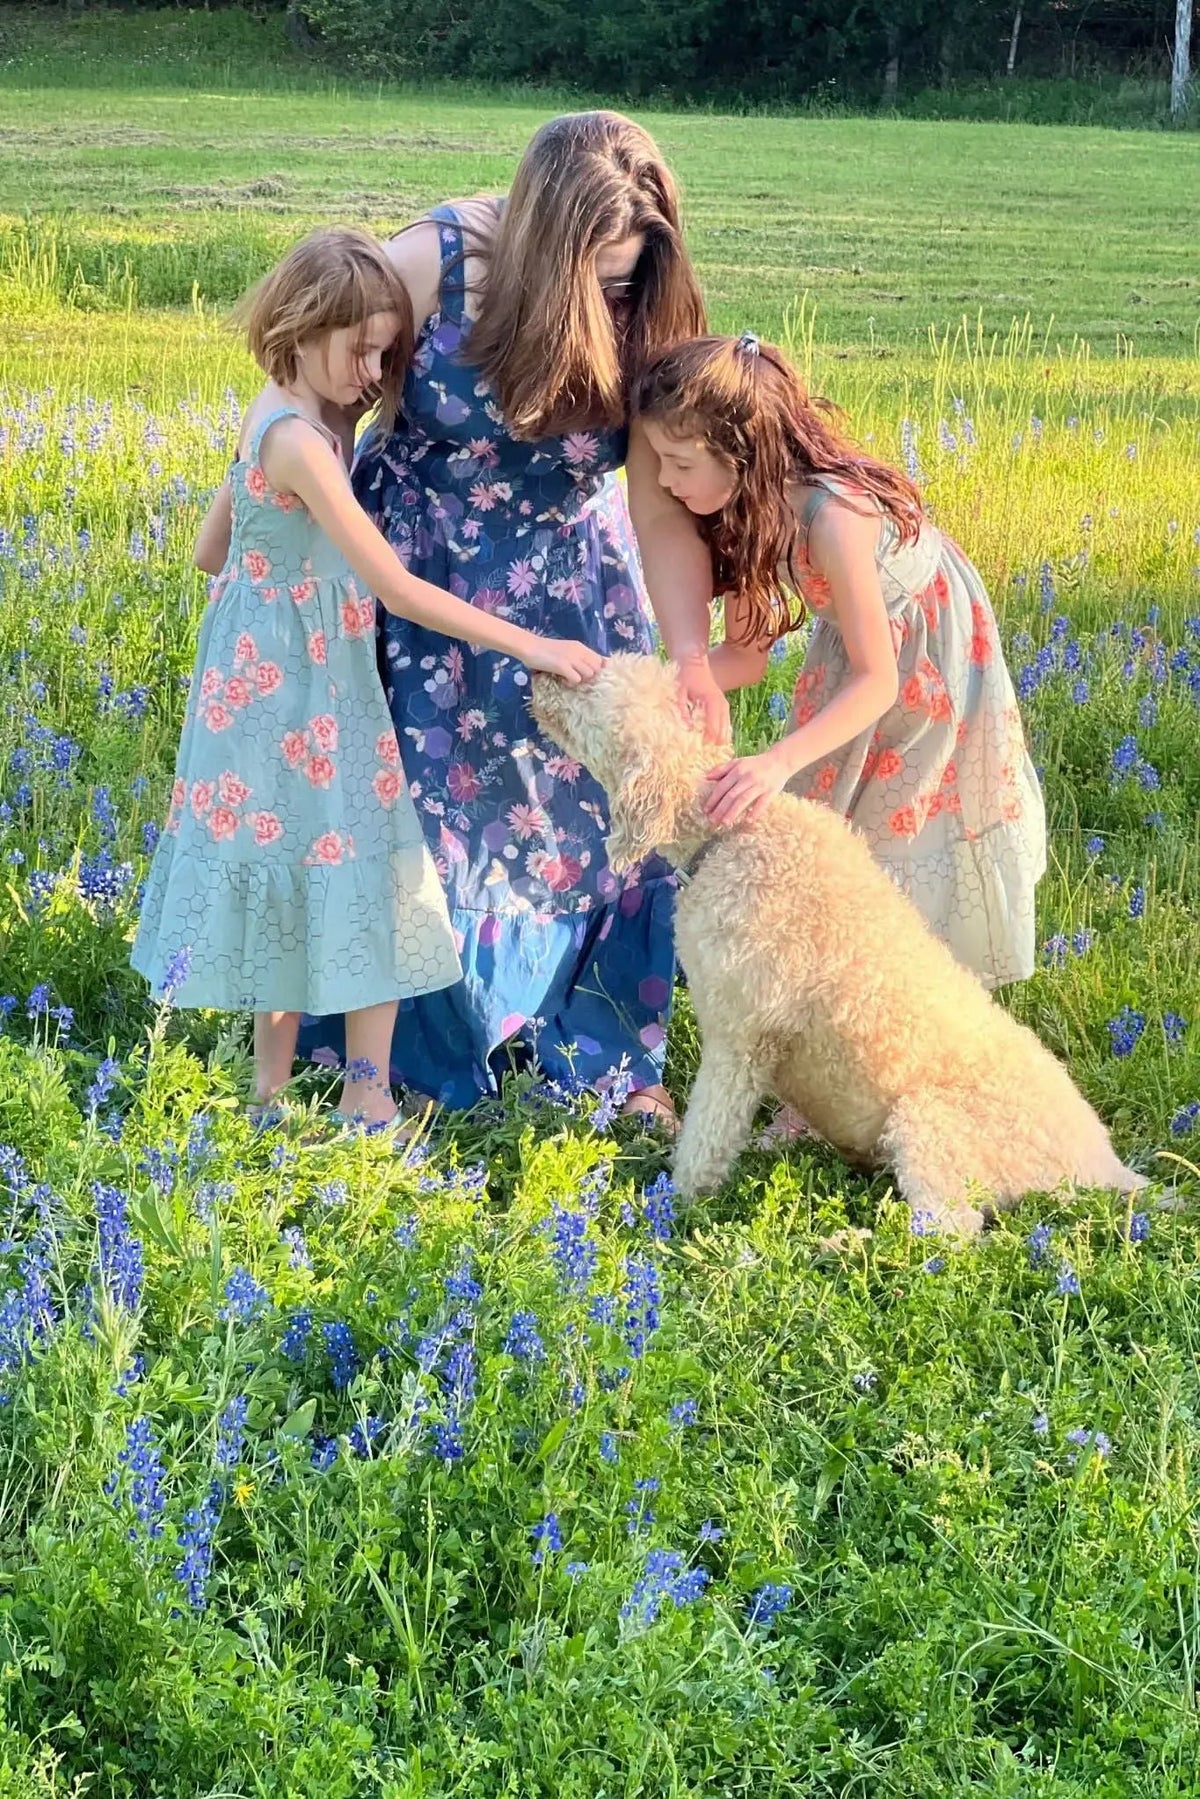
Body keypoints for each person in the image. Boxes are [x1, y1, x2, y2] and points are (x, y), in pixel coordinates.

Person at [137, 227, 602, 1129]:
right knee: (371, 868)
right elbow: (394, 586)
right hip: (310, 692)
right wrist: (532, 645)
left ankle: (272, 1093)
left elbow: (209, 550)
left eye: (387, 352)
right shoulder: (303, 445)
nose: (375, 372)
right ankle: (367, 1092)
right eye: (361, 351)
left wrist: (278, 584)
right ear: (302, 327)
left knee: (292, 871)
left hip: (258, 689)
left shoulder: (282, 413)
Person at [302, 110, 708, 1119]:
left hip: (573, 590)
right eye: (600, 280)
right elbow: (314, 411)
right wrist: (280, 565)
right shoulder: (427, 264)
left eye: (628, 281)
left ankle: (601, 1049)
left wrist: (689, 656)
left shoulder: (645, 298)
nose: (615, 300)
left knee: (600, 818)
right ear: (543, 241)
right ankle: (414, 1055)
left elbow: (658, 507)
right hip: (421, 586)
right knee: (427, 822)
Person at [631, 332, 1046, 989]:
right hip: (858, 649)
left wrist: (775, 760)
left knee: (902, 819)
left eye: (679, 463)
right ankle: (833, 985)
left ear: (740, 452)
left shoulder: (834, 518)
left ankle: (913, 993)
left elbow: (879, 680)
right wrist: (663, 689)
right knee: (834, 801)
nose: (662, 481)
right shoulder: (744, 515)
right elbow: (745, 656)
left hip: (926, 653)